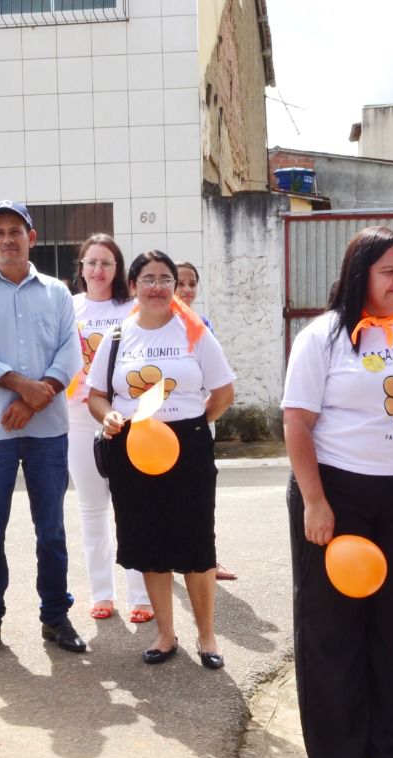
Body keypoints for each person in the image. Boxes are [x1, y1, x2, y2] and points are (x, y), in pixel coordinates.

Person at [281, 226, 393, 758]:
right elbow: (296, 422)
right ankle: (339, 747)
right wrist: (315, 502)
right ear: (360, 276)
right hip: (337, 493)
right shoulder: (323, 337)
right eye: (388, 272)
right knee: (333, 624)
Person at [88, 250, 235, 667]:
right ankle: (166, 634)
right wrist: (110, 416)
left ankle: (208, 638)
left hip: (187, 447)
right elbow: (96, 395)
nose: (157, 287)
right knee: (148, 540)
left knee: (195, 542)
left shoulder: (194, 333)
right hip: (132, 449)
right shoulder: (118, 336)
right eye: (148, 278)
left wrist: (191, 426)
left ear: (177, 286)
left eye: (165, 279)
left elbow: (224, 392)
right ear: (132, 286)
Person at [0, 201, 86, 656]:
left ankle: (56, 617)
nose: (8, 239)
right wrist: (23, 387)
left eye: (16, 230)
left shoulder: (58, 293)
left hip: (47, 429)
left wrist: (40, 394)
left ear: (32, 237)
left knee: (50, 529)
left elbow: (72, 352)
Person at [67, 234, 153, 624]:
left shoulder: (132, 309)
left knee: (133, 504)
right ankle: (102, 593)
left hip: (125, 417)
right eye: (91, 262)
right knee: (91, 507)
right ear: (81, 268)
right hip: (78, 417)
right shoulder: (68, 308)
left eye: (107, 263)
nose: (98, 270)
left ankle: (142, 596)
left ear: (118, 270)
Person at [174, 260, 235, 581]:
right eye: (180, 283)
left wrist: (201, 421)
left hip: (198, 419)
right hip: (161, 426)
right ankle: (166, 558)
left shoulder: (203, 324)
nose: (186, 290)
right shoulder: (151, 323)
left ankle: (207, 560)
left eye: (192, 283)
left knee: (200, 494)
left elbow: (218, 380)